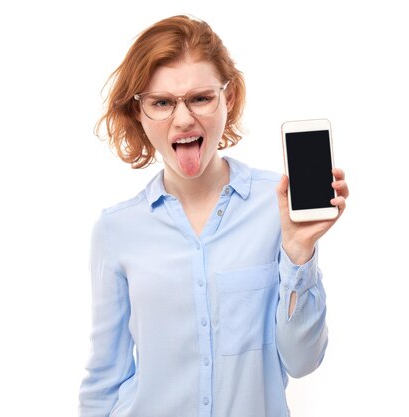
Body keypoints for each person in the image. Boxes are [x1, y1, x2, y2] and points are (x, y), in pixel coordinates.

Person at [78, 14, 349, 417]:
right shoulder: (116, 230)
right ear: (139, 113)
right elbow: (104, 378)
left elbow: (303, 360)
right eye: (162, 103)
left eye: (201, 97)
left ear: (229, 99)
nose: (183, 119)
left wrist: (298, 254)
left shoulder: (277, 206)